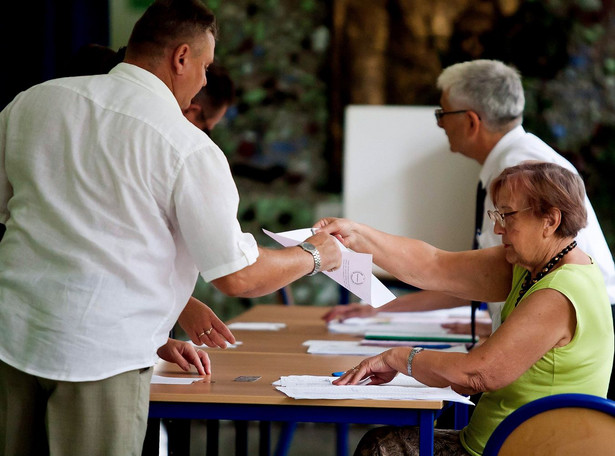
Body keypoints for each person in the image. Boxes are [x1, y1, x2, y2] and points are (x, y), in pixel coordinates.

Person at [0, 1, 341, 455]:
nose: (203, 82)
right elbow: (238, 276)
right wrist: (317, 255)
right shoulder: (186, 146)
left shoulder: (32, 102)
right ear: (181, 57)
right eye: (205, 66)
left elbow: (17, 216)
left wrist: (179, 306)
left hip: (12, 336)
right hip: (101, 355)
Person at [317, 161, 614, 456]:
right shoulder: (538, 264)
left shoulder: (558, 291)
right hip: (508, 442)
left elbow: (477, 375)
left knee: (382, 448)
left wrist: (399, 357)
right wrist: (355, 234)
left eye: (507, 215)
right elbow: (434, 265)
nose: (497, 228)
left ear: (550, 220)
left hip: (515, 449)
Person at [322, 59, 615, 341]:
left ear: (471, 121)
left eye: (442, 114)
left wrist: (356, 236)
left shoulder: (520, 173)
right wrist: (384, 308)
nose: (440, 126)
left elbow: (445, 267)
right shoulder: (516, 160)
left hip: (578, 329)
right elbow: (481, 275)